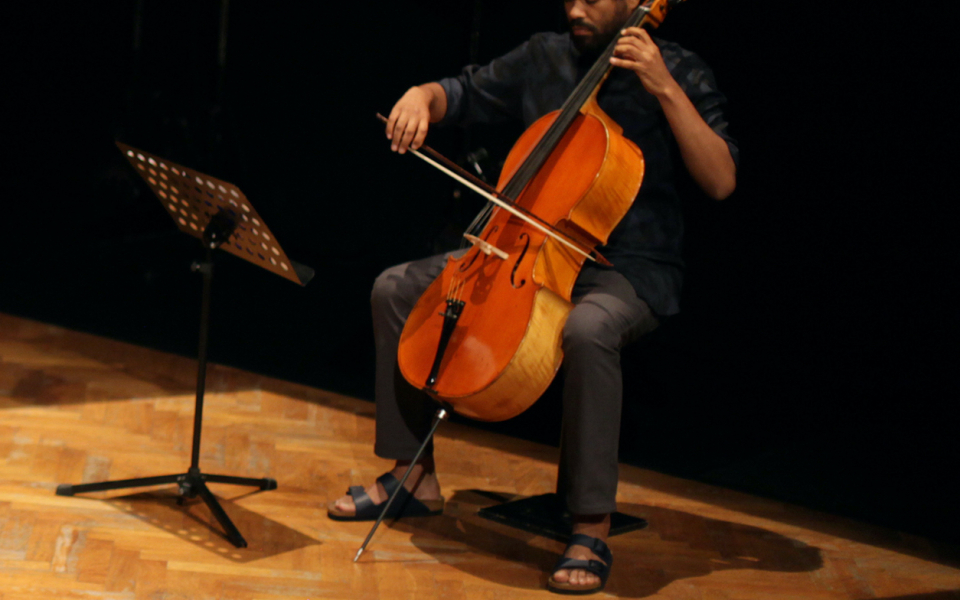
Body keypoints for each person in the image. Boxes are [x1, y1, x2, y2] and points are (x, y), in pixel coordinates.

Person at [328, 0, 738, 594]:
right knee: (395, 288)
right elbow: (461, 93)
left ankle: (591, 524)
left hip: (628, 267)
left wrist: (666, 89)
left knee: (587, 330)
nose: (575, 8)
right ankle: (411, 475)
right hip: (521, 250)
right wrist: (421, 96)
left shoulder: (677, 68)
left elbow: (721, 180)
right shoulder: (544, 55)